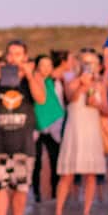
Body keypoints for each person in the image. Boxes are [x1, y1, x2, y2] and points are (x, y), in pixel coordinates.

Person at [0, 41, 47, 215]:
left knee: (20, 189)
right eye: (11, 54)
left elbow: (41, 98)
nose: (14, 57)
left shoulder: (33, 77)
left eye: (18, 54)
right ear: (6, 57)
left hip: (24, 143)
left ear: (25, 57)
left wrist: (30, 76)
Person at [55, 49, 108, 215]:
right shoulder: (71, 81)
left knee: (91, 173)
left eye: (92, 62)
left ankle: (86, 212)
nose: (89, 66)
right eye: (85, 62)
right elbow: (70, 98)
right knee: (67, 174)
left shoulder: (100, 85)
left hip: (91, 131)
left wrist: (98, 105)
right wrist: (81, 85)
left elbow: (107, 111)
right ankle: (58, 211)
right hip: (74, 131)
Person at [32, 54, 65, 203]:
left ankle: (54, 194)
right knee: (36, 162)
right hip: (36, 127)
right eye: (42, 65)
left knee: (55, 160)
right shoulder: (32, 82)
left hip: (54, 127)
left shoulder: (56, 83)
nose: (45, 68)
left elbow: (60, 104)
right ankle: (36, 194)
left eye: (48, 65)